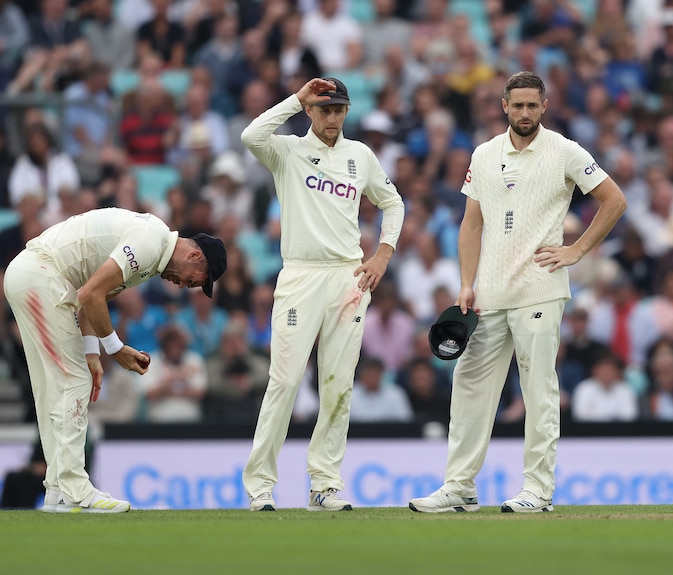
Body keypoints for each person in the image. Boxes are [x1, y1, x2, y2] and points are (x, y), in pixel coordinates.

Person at [409, 71, 627, 514]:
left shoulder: (564, 150)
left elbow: (614, 200)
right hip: (488, 292)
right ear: (504, 107)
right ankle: (459, 488)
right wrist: (467, 284)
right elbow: (471, 224)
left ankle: (538, 491)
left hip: (539, 288)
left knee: (538, 390)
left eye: (533, 105)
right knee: (469, 388)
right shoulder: (485, 154)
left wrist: (577, 250)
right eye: (517, 105)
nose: (525, 112)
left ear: (544, 106)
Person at [240, 77, 404, 512]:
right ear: (310, 111)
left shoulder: (360, 156)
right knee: (286, 380)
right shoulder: (288, 151)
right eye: (323, 109)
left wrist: (382, 256)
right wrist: (295, 98)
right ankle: (260, 486)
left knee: (338, 385)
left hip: (348, 278)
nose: (331, 118)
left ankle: (324, 485)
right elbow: (250, 135)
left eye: (338, 110)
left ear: (346, 112)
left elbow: (393, 203)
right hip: (300, 276)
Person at [2, 207, 227, 513]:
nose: (188, 286)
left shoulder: (153, 251)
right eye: (199, 280)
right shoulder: (150, 242)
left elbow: (92, 295)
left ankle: (58, 488)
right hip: (42, 274)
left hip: (32, 275)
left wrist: (92, 352)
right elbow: (90, 294)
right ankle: (75, 489)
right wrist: (115, 348)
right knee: (72, 380)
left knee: (53, 386)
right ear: (194, 257)